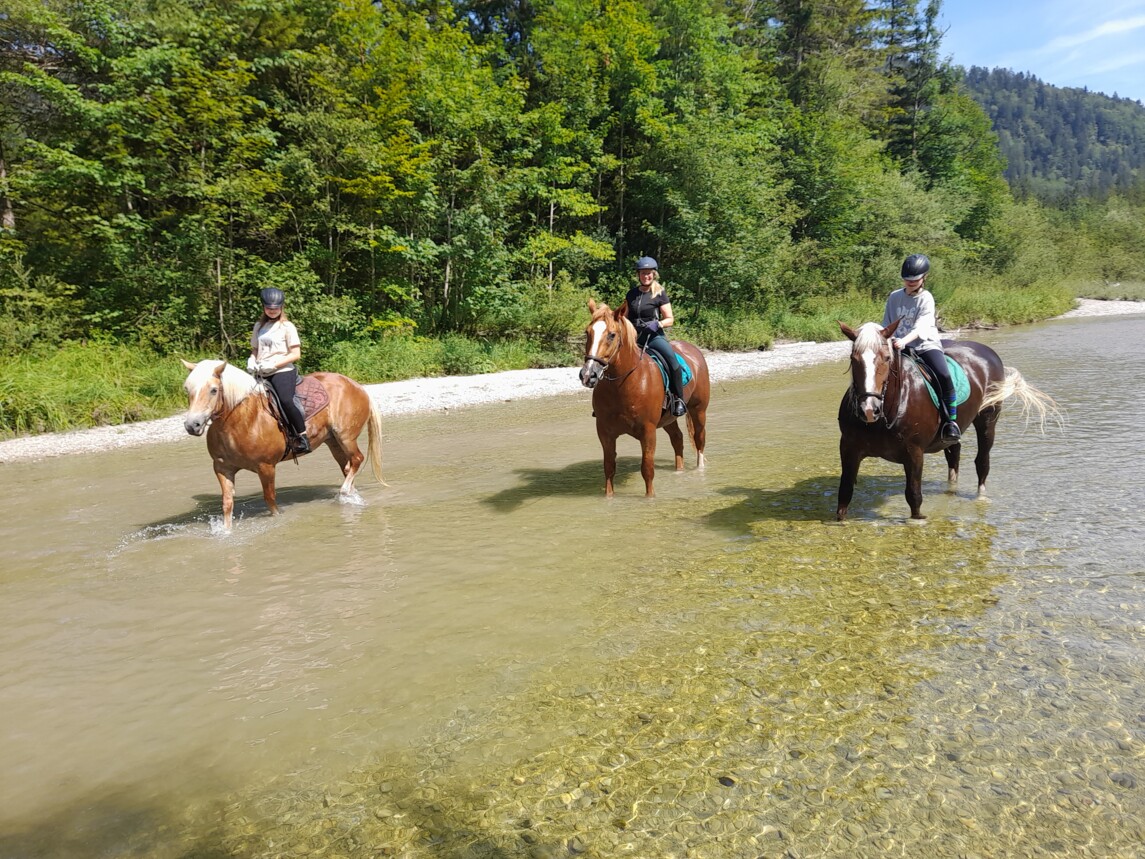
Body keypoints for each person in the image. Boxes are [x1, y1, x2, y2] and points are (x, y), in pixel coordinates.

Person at [883, 254, 961, 442]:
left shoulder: (926, 298)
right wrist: (887, 339)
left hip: (924, 344)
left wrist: (904, 341)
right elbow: (887, 323)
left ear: (924, 278)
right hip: (897, 344)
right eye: (907, 279)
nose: (910, 282)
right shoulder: (894, 297)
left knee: (943, 374)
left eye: (915, 279)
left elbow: (921, 327)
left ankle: (951, 421)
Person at [247, 287, 310, 453]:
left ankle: (302, 437)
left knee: (286, 400)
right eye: (269, 308)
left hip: (282, 370)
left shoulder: (287, 327)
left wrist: (275, 365)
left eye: (275, 309)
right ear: (263, 307)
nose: (272, 311)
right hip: (261, 371)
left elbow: (296, 354)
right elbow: (255, 349)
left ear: (281, 308)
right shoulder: (259, 326)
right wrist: (252, 359)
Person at [624, 256, 687, 417]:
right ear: (638, 275)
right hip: (633, 338)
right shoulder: (631, 294)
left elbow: (670, 319)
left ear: (654, 274)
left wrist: (657, 324)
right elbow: (623, 316)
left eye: (649, 273)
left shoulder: (660, 294)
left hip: (653, 336)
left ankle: (678, 398)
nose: (646, 276)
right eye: (643, 273)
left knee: (672, 362)